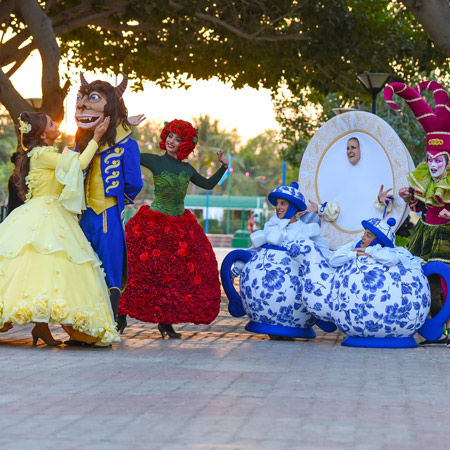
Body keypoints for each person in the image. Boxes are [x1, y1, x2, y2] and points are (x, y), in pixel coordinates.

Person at [0, 111, 119, 347]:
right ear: (44, 135)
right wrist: (96, 136)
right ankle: (43, 326)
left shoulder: (41, 153)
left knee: (40, 268)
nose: (58, 125)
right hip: (45, 213)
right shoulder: (43, 154)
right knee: (45, 264)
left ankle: (41, 327)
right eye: (52, 123)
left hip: (46, 212)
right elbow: (80, 164)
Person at [118, 119, 228, 338]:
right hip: (154, 225)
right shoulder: (155, 161)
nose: (172, 141)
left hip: (179, 227)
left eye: (178, 139)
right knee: (138, 271)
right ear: (164, 136)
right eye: (170, 136)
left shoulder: (187, 169)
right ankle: (120, 317)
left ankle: (165, 322)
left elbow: (207, 185)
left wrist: (223, 166)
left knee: (175, 277)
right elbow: (127, 154)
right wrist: (126, 128)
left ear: (185, 144)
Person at [74, 73, 143, 327]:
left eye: (93, 99)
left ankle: (107, 325)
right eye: (83, 99)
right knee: (82, 268)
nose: (85, 105)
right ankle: (83, 324)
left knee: (110, 270)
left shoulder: (126, 145)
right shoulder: (80, 144)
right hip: (81, 216)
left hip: (108, 215)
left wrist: (118, 202)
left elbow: (135, 182)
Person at [385, 79, 450, 346]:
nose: (434, 165)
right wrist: (410, 197)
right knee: (427, 279)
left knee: (446, 281)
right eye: (431, 159)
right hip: (426, 233)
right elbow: (420, 207)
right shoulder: (426, 179)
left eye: (440, 160)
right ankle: (434, 328)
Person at [231, 182, 331, 278]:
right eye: (277, 203)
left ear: (293, 206)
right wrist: (235, 271)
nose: (278, 207)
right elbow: (254, 249)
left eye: (283, 203)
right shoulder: (272, 225)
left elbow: (320, 255)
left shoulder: (304, 230)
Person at [328, 217, 421, 269]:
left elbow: (391, 259)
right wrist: (354, 254)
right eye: (365, 233)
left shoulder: (387, 252)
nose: (362, 237)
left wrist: (369, 250)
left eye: (368, 235)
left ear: (379, 242)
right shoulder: (354, 246)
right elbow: (333, 261)